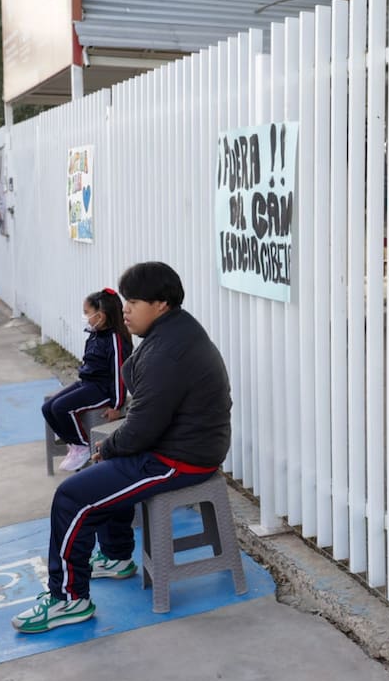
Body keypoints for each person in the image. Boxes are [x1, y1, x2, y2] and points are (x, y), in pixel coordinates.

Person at [13, 261, 232, 634]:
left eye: (134, 302)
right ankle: (116, 557)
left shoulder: (168, 351)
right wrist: (113, 450)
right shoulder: (176, 330)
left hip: (180, 458)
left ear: (160, 304)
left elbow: (141, 429)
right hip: (181, 446)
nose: (125, 310)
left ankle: (69, 600)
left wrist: (109, 448)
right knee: (104, 471)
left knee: (71, 496)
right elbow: (144, 418)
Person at [42, 287, 132, 472]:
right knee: (48, 408)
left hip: (101, 389)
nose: (85, 317)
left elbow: (119, 373)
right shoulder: (95, 334)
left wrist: (116, 405)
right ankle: (74, 444)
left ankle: (82, 446)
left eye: (87, 313)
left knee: (61, 408)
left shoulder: (115, 339)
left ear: (101, 316)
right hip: (86, 383)